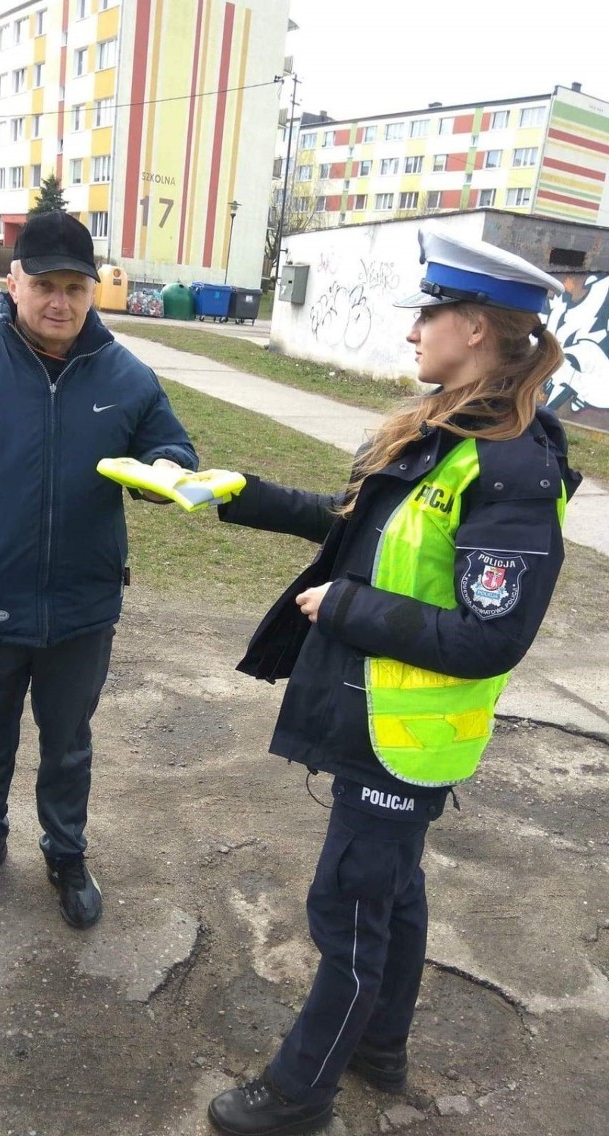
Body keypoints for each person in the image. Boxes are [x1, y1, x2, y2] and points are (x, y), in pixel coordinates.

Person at [207, 225, 581, 1135]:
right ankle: (378, 1049)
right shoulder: (447, 433)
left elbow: (493, 635)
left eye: (431, 314)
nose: (415, 332)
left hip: (404, 736)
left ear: (479, 330)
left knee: (349, 911)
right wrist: (238, 493)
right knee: (393, 894)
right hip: (384, 721)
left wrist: (345, 610)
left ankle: (299, 1095)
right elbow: (354, 527)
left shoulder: (511, 465)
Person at [0, 211, 196, 928]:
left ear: (93, 291)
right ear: (13, 281)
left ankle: (66, 852)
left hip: (81, 609)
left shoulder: (126, 375)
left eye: (76, 287)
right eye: (45, 284)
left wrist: (167, 472)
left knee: (69, 744)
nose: (60, 302)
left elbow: (170, 447)